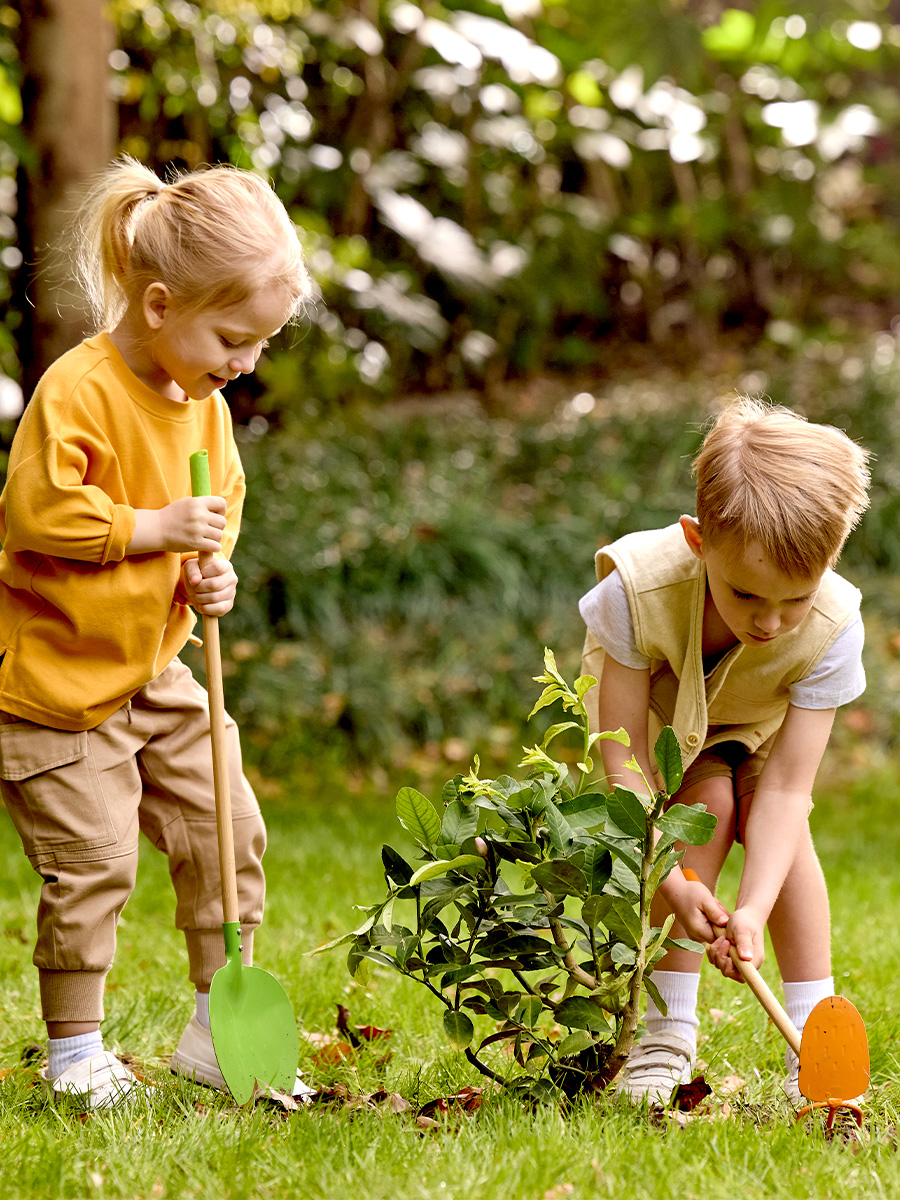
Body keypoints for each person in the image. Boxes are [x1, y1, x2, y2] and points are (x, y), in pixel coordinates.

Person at [0, 157, 312, 1109]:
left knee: (227, 829)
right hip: (56, 690)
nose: (246, 362)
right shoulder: (80, 390)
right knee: (95, 860)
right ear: (160, 304)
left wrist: (202, 569)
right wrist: (149, 531)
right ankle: (76, 1052)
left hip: (156, 673)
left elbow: (216, 512)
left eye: (261, 341)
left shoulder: (206, 409)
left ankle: (220, 1030)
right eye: (233, 336)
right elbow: (32, 517)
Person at [579, 398, 871, 1105]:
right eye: (746, 595)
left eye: (794, 601)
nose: (770, 622)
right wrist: (671, 881)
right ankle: (666, 1032)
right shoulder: (636, 589)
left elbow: (786, 792)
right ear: (698, 540)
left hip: (762, 733)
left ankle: (813, 1035)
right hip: (659, 739)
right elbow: (622, 757)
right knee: (703, 805)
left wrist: (751, 907)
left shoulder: (833, 625)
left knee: (785, 838)